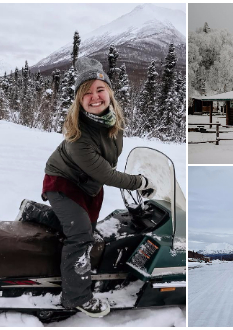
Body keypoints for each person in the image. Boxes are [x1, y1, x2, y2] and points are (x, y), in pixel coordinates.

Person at [17, 57, 155, 318]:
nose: (94, 97)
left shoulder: (113, 122)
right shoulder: (77, 137)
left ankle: (34, 211)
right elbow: (106, 173)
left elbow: (107, 159)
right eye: (86, 93)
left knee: (85, 228)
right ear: (79, 100)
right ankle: (76, 295)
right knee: (81, 235)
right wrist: (140, 182)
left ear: (109, 93)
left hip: (87, 183)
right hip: (64, 182)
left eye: (99, 90)